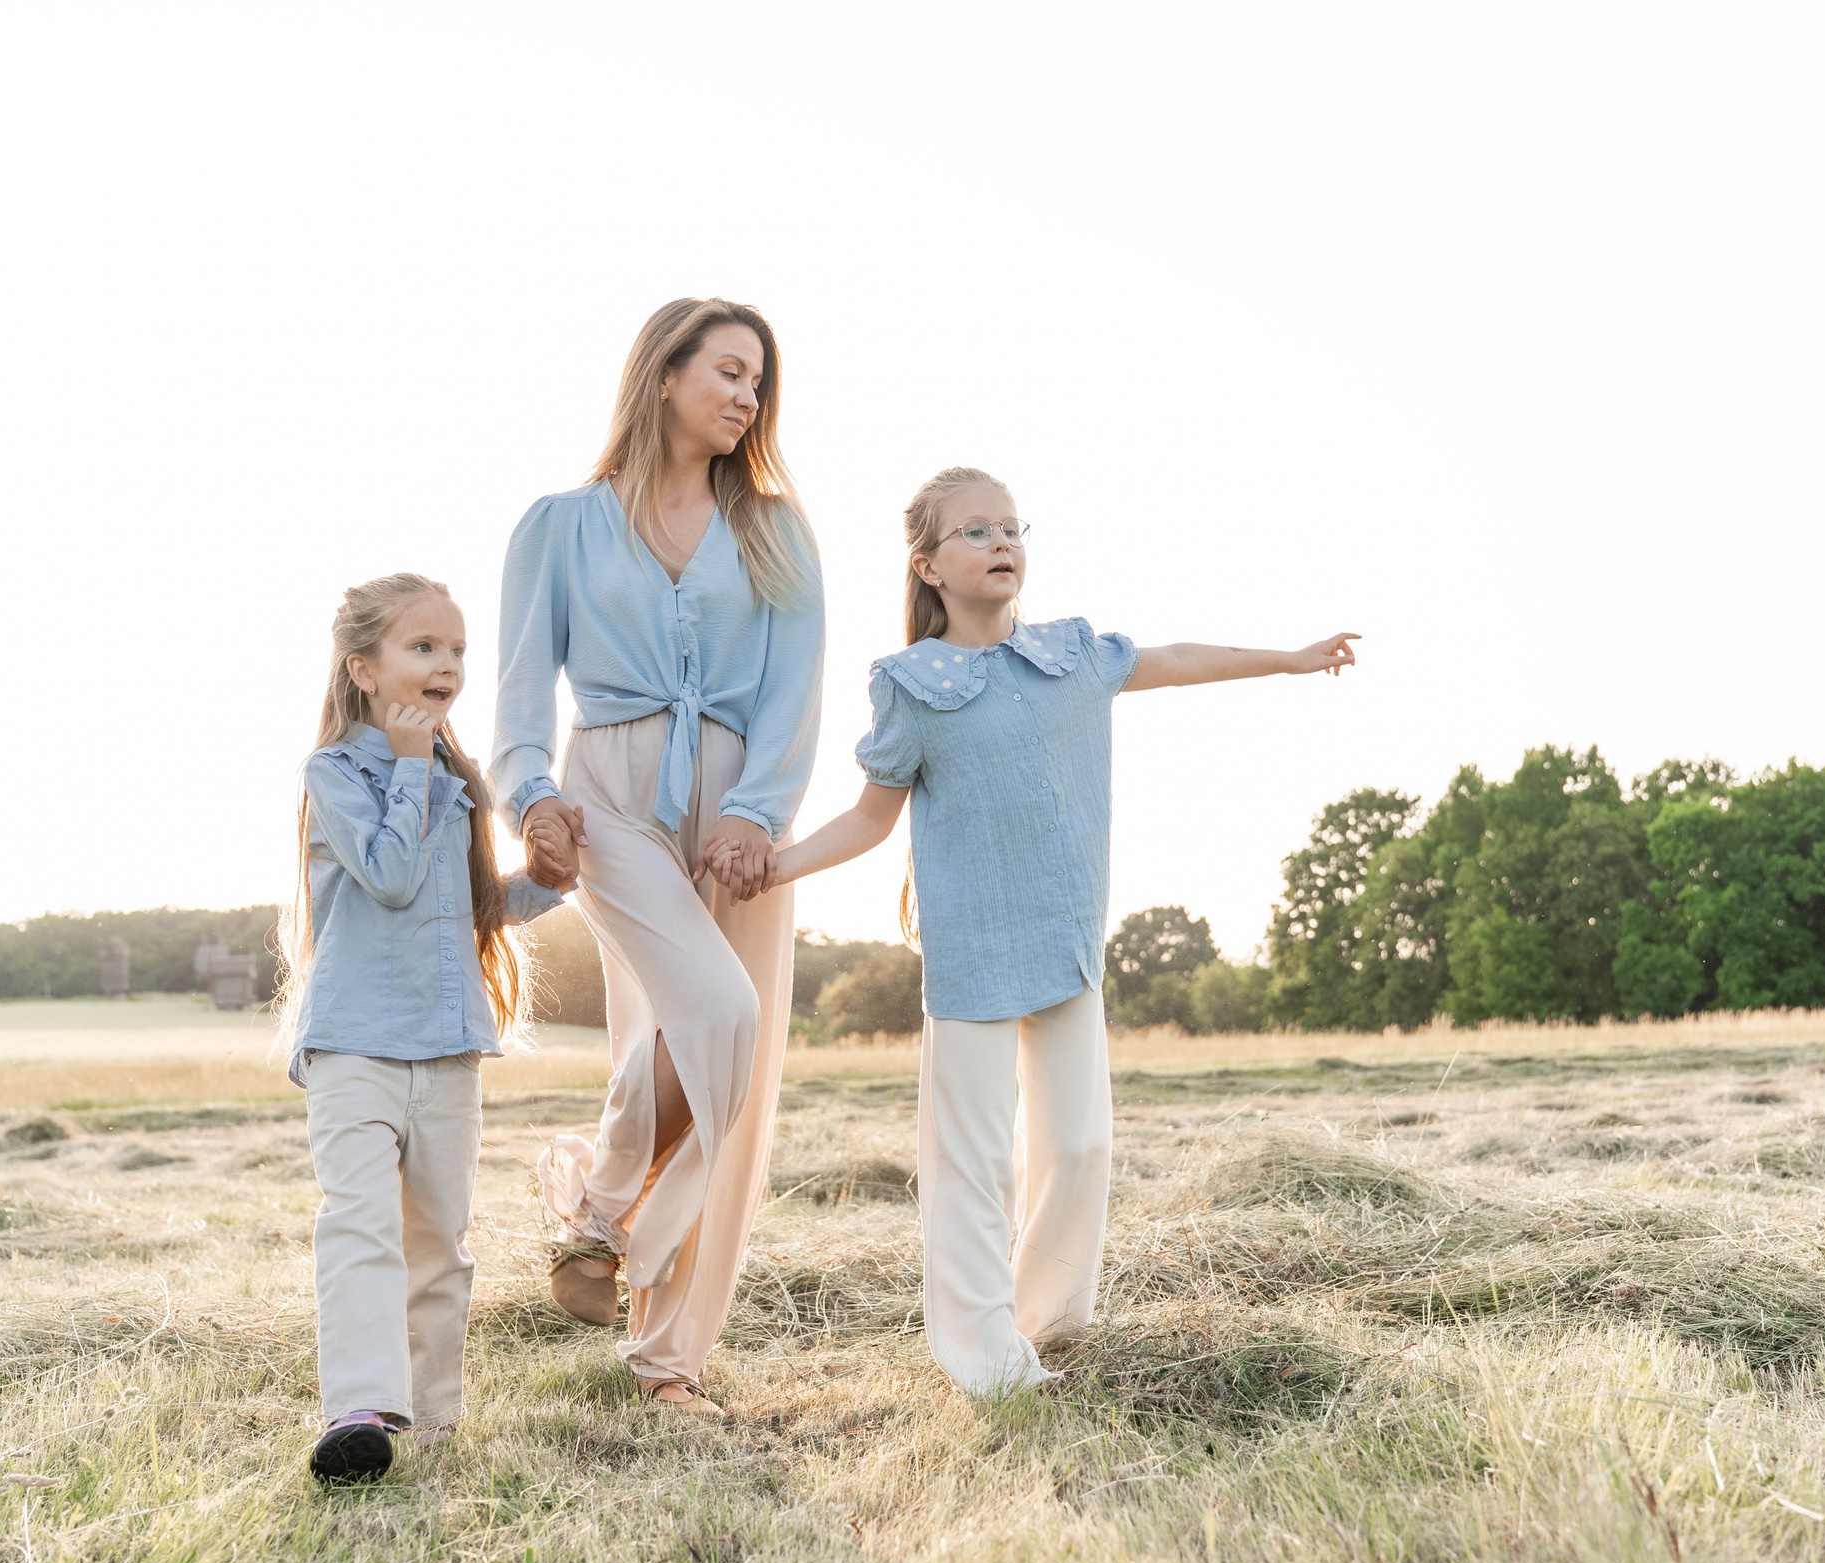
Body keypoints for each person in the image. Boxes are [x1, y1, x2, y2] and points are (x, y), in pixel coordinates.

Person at [735, 467, 1356, 1395]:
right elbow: (871, 819)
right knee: (974, 1171)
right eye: (975, 531)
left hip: (1066, 944)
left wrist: (1291, 657)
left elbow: (1181, 657)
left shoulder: (1075, 656)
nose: (1001, 543)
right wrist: (775, 866)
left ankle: (1049, 1324)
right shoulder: (913, 685)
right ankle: (987, 1361)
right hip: (974, 956)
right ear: (928, 565)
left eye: (1011, 527)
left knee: (1079, 1148)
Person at [492, 298, 824, 1418]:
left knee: (729, 1066)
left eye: (758, 384)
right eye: (728, 371)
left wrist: (760, 811)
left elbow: (794, 691)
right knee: (718, 1017)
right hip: (610, 805)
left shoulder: (776, 530)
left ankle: (667, 1357)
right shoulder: (559, 524)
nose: (746, 397)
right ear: (665, 371)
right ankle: (601, 1210)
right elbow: (518, 701)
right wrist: (532, 798)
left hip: (736, 817)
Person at [280, 573, 575, 1483]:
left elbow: (473, 910)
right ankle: (359, 1412)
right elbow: (391, 878)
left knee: (440, 1243)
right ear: (363, 669)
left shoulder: (457, 779)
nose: (447, 664)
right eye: (423, 648)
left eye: (455, 650)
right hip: (355, 1047)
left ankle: (435, 1420)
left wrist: (552, 880)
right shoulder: (335, 774)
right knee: (361, 1229)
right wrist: (413, 768)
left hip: (447, 1051)